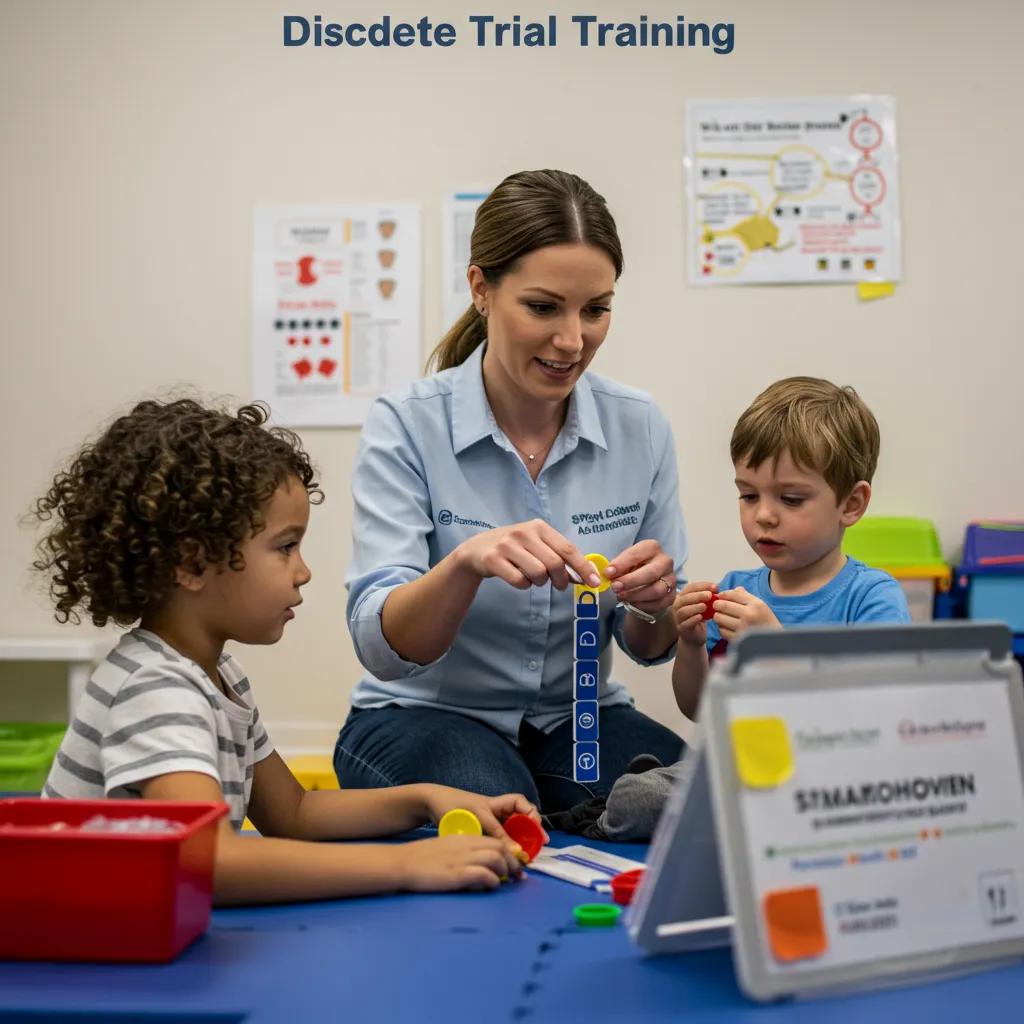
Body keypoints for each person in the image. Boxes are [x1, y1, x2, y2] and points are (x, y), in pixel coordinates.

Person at [33, 398, 541, 905]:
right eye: (284, 547)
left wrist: (426, 799)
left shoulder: (218, 674)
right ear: (192, 564)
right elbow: (207, 861)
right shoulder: (154, 688)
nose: (304, 571)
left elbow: (293, 812)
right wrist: (408, 864)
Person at [338, 169, 687, 812]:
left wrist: (655, 602)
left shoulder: (639, 425)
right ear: (482, 289)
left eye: (596, 309)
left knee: (689, 799)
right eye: (544, 307)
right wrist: (466, 564)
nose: (572, 340)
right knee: (494, 808)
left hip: (580, 718)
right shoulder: (406, 423)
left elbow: (650, 647)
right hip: (421, 715)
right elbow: (382, 649)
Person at [671, 376, 911, 718]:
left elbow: (877, 718)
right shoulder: (733, 591)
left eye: (791, 499)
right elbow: (698, 710)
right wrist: (690, 644)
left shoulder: (871, 599)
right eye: (748, 495)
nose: (764, 515)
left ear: (852, 503)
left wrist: (777, 652)